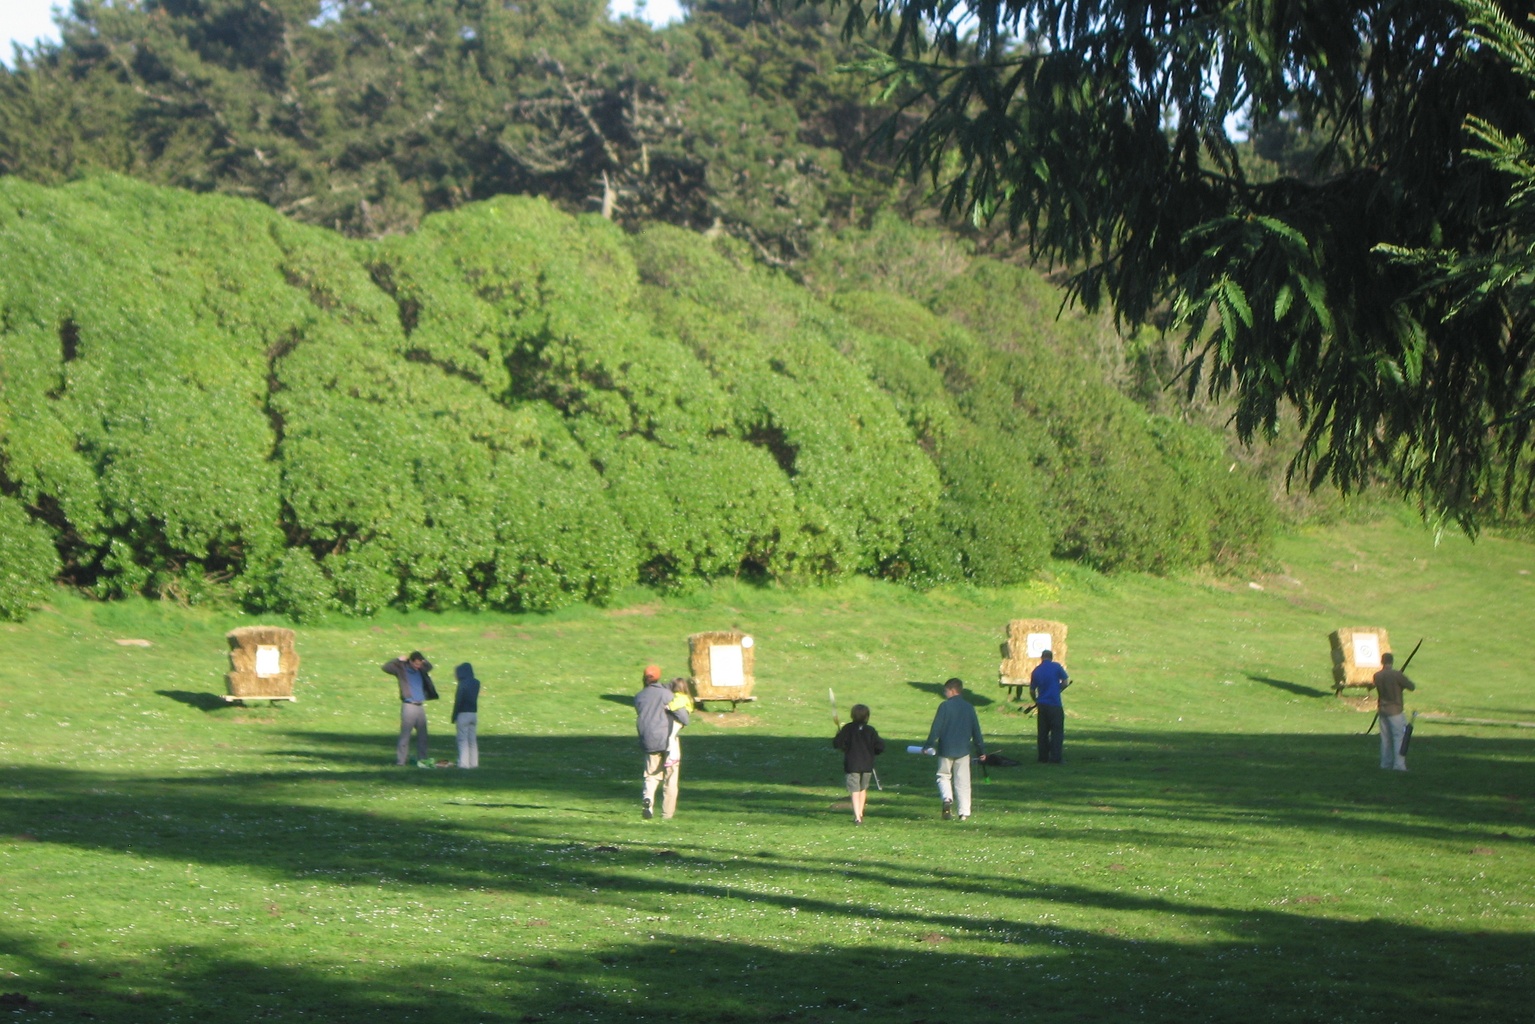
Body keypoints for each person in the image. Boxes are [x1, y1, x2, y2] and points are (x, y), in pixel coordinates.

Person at [923, 678, 984, 821]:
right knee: (963, 781)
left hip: (946, 749)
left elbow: (936, 728)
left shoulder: (944, 706)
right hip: (963, 749)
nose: (945, 694)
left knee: (943, 776)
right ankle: (964, 813)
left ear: (951, 690)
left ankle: (947, 798)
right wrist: (981, 751)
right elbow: (976, 731)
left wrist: (929, 745)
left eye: (945, 691)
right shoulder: (969, 707)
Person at [635, 665, 689, 819]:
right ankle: (667, 814)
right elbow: (684, 717)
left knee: (651, 774)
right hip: (668, 740)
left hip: (648, 739)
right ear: (659, 677)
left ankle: (648, 801)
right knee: (670, 778)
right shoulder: (667, 694)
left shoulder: (639, 696)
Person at [383, 651, 438, 766]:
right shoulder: (401, 669)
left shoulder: (422, 669)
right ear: (411, 661)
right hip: (409, 705)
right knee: (405, 736)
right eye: (416, 664)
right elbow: (386, 667)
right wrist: (397, 660)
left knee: (423, 735)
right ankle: (401, 761)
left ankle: (422, 759)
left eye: (420, 664)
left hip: (420, 706)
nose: (418, 667)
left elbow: (429, 666)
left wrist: (423, 661)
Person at [833, 703, 885, 824]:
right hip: (867, 764)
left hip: (852, 764)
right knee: (863, 789)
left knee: (854, 790)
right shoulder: (870, 730)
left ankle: (857, 816)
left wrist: (838, 735)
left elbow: (838, 744)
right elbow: (880, 746)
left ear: (852, 715)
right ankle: (860, 813)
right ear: (867, 716)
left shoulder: (847, 729)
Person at [1373, 651, 1416, 771]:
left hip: (1382, 710)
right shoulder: (1396, 675)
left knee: (1385, 738)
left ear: (1382, 662)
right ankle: (1399, 765)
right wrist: (1400, 679)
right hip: (1395, 710)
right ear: (1391, 662)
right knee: (1399, 737)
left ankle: (1385, 764)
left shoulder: (1377, 676)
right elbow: (1411, 687)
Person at [1029, 649, 1071, 764]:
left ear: (1041, 658)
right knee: (1057, 732)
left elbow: (1032, 690)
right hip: (1055, 704)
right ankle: (1055, 758)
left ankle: (1043, 757)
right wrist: (1058, 689)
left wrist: (1036, 700)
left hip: (1042, 705)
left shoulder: (1036, 671)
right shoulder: (1056, 667)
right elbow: (1066, 681)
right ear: (1051, 658)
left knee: (1042, 733)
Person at [452, 662, 480, 769]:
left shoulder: (462, 684)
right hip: (473, 713)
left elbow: (458, 701)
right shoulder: (476, 683)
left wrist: (454, 716)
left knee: (462, 740)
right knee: (472, 740)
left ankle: (463, 764)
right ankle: (474, 763)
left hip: (463, 714)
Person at [664, 677, 693, 772]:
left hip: (678, 720)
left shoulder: (679, 696)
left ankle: (673, 757)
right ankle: (675, 756)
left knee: (670, 736)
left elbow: (676, 704)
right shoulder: (685, 696)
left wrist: (668, 706)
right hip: (680, 720)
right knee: (675, 737)